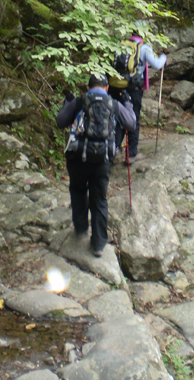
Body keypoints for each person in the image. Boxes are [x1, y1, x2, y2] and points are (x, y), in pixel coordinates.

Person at [56, 73, 136, 257]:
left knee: (77, 190)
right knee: (99, 198)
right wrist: (129, 104)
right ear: (107, 88)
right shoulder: (113, 104)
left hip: (77, 157)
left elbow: (61, 121)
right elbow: (131, 124)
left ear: (88, 87)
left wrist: (67, 104)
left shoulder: (80, 101)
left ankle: (81, 227)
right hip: (102, 159)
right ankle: (99, 243)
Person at [109, 32, 167, 164]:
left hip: (115, 87)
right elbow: (158, 64)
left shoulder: (120, 44)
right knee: (132, 118)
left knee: (116, 118)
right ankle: (131, 154)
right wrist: (164, 57)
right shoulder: (143, 47)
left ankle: (113, 151)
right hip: (132, 89)